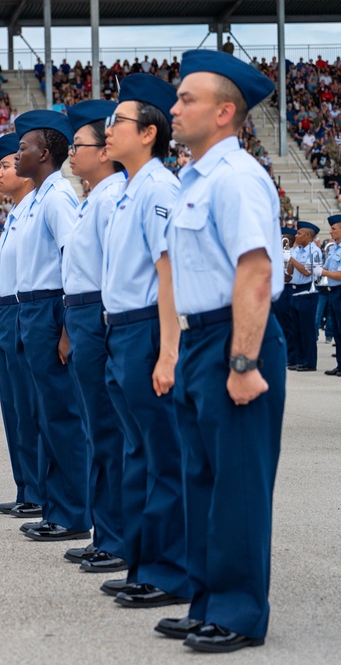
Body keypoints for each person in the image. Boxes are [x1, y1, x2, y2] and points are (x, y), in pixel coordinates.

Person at [162, 49, 283, 653]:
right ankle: (207, 599)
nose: (174, 108)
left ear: (225, 111)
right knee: (202, 478)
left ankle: (238, 612)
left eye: (187, 99)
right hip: (201, 335)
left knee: (237, 481)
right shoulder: (194, 180)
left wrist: (243, 362)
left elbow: (255, 273)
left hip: (236, 338)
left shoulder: (237, 179)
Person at [99, 74, 191, 607]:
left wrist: (167, 352)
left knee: (161, 455)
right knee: (137, 453)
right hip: (122, 329)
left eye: (119, 123)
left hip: (146, 329)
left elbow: (168, 273)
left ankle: (168, 573)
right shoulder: (129, 189)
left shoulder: (158, 188)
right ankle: (143, 562)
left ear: (150, 133)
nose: (109, 132)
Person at [11, 109, 90, 543]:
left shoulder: (58, 196)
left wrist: (65, 328)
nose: (18, 152)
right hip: (31, 310)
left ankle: (74, 513)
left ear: (43, 153)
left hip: (49, 310)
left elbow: (72, 259)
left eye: (23, 147)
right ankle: (57, 507)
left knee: (60, 415)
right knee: (46, 415)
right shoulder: (39, 197)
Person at [59, 99, 129, 573]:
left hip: (101, 316)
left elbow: (112, 272)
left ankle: (118, 538)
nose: (71, 153)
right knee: (97, 431)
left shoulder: (112, 198)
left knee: (109, 431)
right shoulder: (93, 198)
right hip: (82, 316)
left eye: (78, 145)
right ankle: (107, 532)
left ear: (105, 150)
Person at [0, 132, 44, 519]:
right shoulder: (16, 213)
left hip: (27, 309)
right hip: (6, 312)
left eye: (5, 165)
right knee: (13, 406)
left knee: (31, 407)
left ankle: (39, 489)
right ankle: (25, 486)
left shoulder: (41, 206)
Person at [286, 221, 323, 371]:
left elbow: (307, 272)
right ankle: (299, 359)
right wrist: (288, 259)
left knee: (306, 329)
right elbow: (289, 272)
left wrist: (291, 259)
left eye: (299, 233)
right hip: (295, 290)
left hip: (308, 291)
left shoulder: (314, 251)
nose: (296, 235)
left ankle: (309, 362)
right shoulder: (297, 250)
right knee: (297, 328)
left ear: (308, 236)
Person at [318, 216, 341, 375]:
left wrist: (323, 272)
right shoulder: (333, 248)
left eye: (334, 228)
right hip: (333, 291)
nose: (330, 231)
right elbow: (324, 267)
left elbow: (339, 274)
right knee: (337, 331)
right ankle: (340, 364)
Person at [273, 227, 297, 365]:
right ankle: (285, 354)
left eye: (283, 239)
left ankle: (292, 355)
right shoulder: (278, 253)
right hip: (278, 290)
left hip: (287, 289)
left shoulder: (291, 254)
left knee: (288, 324)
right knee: (280, 323)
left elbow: (288, 277)